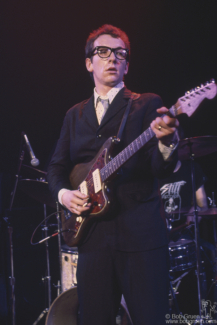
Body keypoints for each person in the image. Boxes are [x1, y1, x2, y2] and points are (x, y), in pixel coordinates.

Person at [47, 24, 180, 325]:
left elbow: (162, 168)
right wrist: (65, 195)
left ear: (127, 65)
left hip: (141, 239)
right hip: (92, 241)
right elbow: (55, 167)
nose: (112, 58)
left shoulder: (146, 104)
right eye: (103, 52)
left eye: (120, 54)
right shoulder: (74, 115)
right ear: (88, 63)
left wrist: (168, 142)